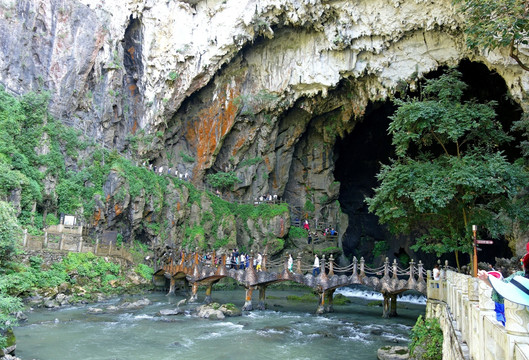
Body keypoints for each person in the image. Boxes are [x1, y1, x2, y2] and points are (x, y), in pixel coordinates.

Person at [478, 246, 529, 326]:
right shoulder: (519, 277)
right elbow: (502, 286)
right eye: (522, 261)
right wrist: (486, 279)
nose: (523, 264)